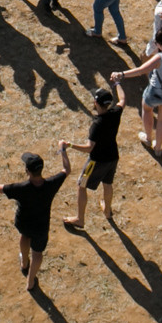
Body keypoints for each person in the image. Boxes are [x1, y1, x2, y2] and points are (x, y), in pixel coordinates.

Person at [112, 22, 162, 156]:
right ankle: (158, 148)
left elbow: (141, 70)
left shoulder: (160, 58)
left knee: (147, 109)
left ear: (159, 45)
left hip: (156, 92)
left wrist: (122, 74)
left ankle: (148, 138)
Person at [1, 147, 72, 292]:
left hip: (24, 223)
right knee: (38, 253)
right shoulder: (52, 183)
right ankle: (31, 281)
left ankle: (24, 263)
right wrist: (63, 151)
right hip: (41, 227)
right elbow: (67, 170)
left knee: (24, 237)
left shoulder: (21, 188)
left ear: (27, 171)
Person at [62, 86, 123, 233]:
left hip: (95, 162)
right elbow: (123, 100)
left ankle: (80, 219)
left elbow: (89, 148)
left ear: (95, 103)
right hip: (113, 158)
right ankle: (107, 211)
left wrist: (69, 145)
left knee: (81, 185)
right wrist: (118, 83)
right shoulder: (115, 113)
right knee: (107, 183)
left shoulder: (97, 124)